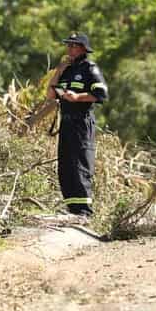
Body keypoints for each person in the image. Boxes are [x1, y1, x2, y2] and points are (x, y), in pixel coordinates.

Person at [46, 32, 108, 217]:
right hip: (66, 123)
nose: (70, 49)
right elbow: (50, 95)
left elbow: (102, 94)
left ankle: (84, 212)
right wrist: (58, 70)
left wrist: (78, 97)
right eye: (69, 45)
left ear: (83, 48)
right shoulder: (66, 69)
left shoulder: (90, 68)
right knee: (66, 166)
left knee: (81, 165)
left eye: (74, 45)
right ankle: (72, 209)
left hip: (82, 123)